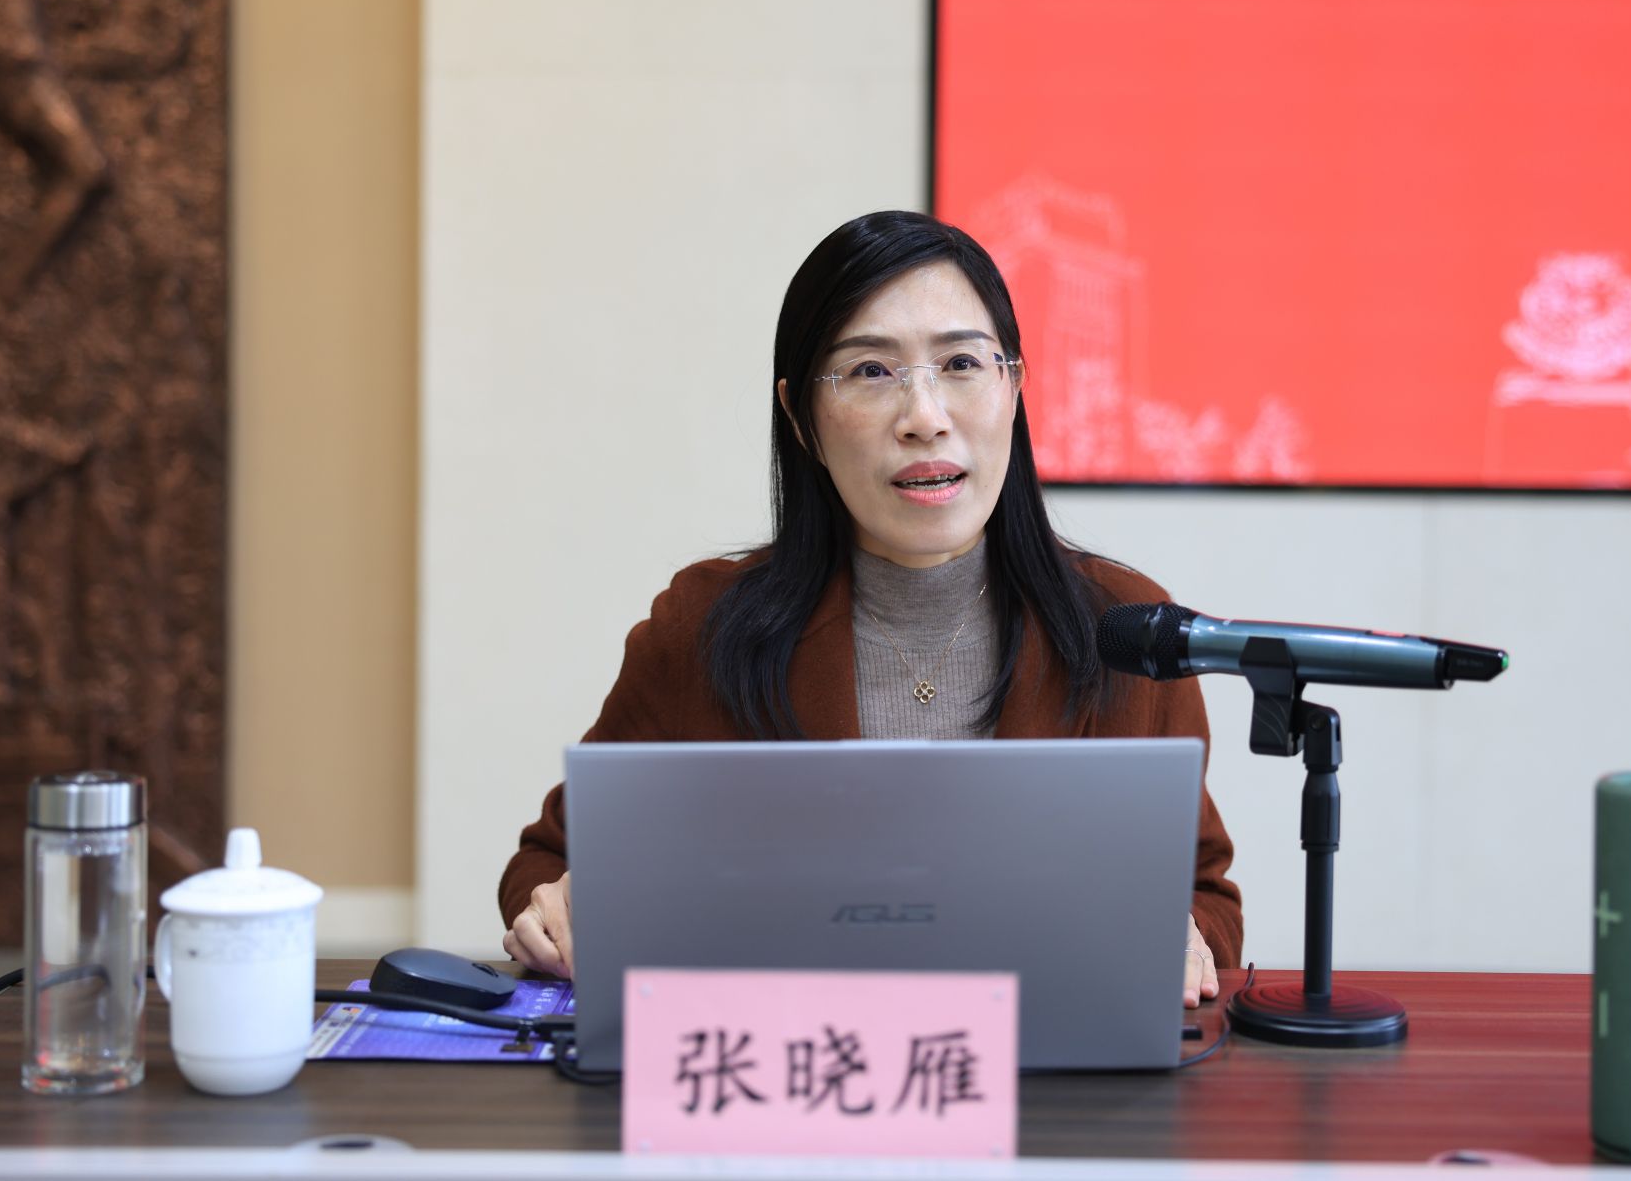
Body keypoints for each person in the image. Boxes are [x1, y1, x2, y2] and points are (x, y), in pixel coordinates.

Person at [498, 210, 1240, 1006]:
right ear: (800, 418)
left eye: (961, 363)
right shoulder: (702, 628)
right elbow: (551, 864)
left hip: (1049, 1070)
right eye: (871, 371)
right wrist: (560, 909)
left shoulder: (1127, 630)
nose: (925, 417)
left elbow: (1204, 896)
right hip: (790, 1063)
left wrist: (1181, 934)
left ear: (1013, 388)